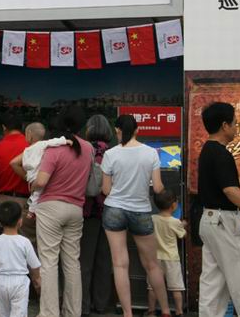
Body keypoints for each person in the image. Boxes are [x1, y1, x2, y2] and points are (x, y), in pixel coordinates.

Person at [197, 102, 240, 317]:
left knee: (213, 283)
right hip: (225, 222)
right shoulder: (221, 154)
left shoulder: (206, 150)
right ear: (224, 125)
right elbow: (230, 190)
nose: (237, 127)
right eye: (235, 123)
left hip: (209, 220)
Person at [101, 114, 169, 317]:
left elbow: (105, 190)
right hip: (141, 210)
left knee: (120, 264)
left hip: (114, 209)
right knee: (152, 265)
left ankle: (128, 313)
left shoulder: (110, 154)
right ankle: (166, 310)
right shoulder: (151, 153)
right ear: (137, 130)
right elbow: (158, 188)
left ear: (117, 130)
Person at [32, 106, 93, 317]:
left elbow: (41, 181)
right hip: (76, 209)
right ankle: (73, 312)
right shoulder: (88, 148)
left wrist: (31, 185)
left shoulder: (53, 148)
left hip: (51, 208)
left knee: (49, 262)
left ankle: (49, 313)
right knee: (72, 263)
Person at [0, 201, 41, 317]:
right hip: (20, 282)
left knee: (4, 313)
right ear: (20, 221)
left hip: (1, 281)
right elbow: (34, 265)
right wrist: (37, 279)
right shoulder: (25, 242)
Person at [79, 115, 114, 317]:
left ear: (89, 129)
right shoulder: (113, 152)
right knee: (104, 260)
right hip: (109, 210)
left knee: (84, 261)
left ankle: (83, 304)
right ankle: (101, 304)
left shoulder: (85, 150)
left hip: (88, 211)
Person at [0, 112, 34, 244]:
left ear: (4, 127)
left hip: (2, 202)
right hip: (26, 202)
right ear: (22, 126)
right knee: (28, 243)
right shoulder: (31, 146)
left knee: (3, 244)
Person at [9, 122, 68, 215]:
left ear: (29, 134)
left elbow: (15, 163)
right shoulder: (43, 145)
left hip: (31, 178)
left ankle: (31, 211)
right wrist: (65, 141)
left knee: (35, 194)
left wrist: (27, 177)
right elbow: (55, 141)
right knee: (37, 194)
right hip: (40, 177)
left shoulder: (28, 150)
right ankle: (31, 211)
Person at [147, 189, 186, 317]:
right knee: (176, 288)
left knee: (153, 287)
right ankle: (179, 311)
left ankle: (151, 311)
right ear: (174, 205)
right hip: (171, 258)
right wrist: (182, 225)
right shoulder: (175, 222)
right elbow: (182, 235)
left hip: (155, 258)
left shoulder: (152, 218)